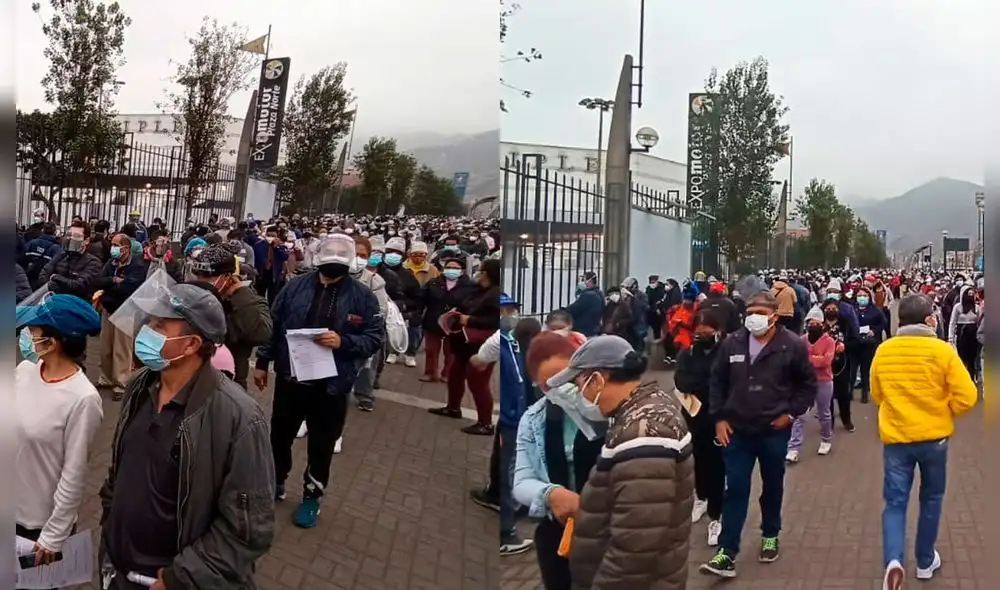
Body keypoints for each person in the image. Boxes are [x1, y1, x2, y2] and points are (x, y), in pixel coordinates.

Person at [98, 283, 275, 589]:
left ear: (191, 344)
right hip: (118, 569)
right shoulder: (140, 386)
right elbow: (122, 468)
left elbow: (248, 531)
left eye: (159, 326)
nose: (145, 331)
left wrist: (178, 578)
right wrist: (109, 523)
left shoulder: (240, 418)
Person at [255, 234, 383, 528]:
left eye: (340, 255)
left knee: (322, 444)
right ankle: (276, 480)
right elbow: (274, 324)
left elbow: (374, 337)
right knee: (280, 436)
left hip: (332, 385)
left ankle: (312, 496)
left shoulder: (363, 296)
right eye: (329, 254)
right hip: (291, 377)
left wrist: (344, 341)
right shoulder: (295, 287)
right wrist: (262, 361)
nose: (333, 260)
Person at [545, 335, 694, 589]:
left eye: (579, 384)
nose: (580, 394)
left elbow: (635, 545)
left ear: (598, 378)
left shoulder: (644, 433)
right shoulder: (645, 410)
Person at [701, 291, 816, 578]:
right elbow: (716, 383)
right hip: (737, 431)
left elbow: (806, 385)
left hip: (773, 432)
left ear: (774, 316)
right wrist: (719, 418)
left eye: (761, 313)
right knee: (735, 490)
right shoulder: (732, 343)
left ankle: (770, 535)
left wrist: (791, 413)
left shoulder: (791, 345)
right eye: (750, 312)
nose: (754, 318)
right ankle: (726, 552)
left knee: (772, 486)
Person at [871, 294, 978, 589]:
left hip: (896, 439)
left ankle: (893, 560)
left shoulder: (884, 350)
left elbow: (877, 393)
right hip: (934, 439)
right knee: (931, 499)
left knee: (895, 503)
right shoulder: (942, 351)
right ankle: (925, 561)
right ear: (929, 319)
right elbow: (968, 396)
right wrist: (945, 410)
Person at [15, 294, 103, 571]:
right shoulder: (25, 371)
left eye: (33, 331)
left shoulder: (83, 398)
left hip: (37, 528)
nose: (26, 336)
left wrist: (54, 535)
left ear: (51, 342)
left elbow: (74, 474)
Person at [513, 331, 593, 589]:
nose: (561, 388)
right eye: (549, 385)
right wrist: (550, 494)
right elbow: (521, 481)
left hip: (612, 532)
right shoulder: (533, 420)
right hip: (560, 535)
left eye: (566, 377)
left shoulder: (609, 409)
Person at [428, 259, 501, 435]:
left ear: (488, 274)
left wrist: (470, 320)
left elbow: (496, 321)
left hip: (480, 346)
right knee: (455, 375)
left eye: (481, 271)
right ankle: (453, 408)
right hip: (463, 341)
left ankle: (485, 423)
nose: (478, 273)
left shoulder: (497, 295)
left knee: (478, 383)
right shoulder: (477, 290)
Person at [188, 242, 273, 391]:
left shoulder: (250, 301)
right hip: (190, 376)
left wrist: (240, 295)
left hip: (229, 382)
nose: (201, 281)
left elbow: (260, 334)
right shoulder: (192, 297)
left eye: (209, 277)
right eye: (198, 275)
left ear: (228, 277)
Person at [674, 308, 726, 547]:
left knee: (717, 468)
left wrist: (701, 384)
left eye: (707, 332)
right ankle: (700, 497)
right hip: (693, 418)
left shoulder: (725, 353)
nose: (702, 337)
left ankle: (716, 517)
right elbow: (681, 381)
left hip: (719, 420)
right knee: (696, 462)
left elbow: (723, 382)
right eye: (698, 333)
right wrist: (705, 383)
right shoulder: (687, 354)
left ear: (718, 331)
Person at [94, 233, 148, 400]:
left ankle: (121, 383)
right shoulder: (111, 263)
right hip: (109, 308)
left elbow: (130, 287)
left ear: (126, 248)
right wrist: (114, 280)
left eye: (117, 245)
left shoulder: (137, 265)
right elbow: (99, 281)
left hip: (126, 310)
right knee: (106, 346)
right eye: (113, 244)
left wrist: (111, 285)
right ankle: (106, 378)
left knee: (122, 349)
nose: (113, 248)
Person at [786, 306, 836, 462]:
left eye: (816, 323)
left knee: (824, 413)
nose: (813, 326)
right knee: (800, 415)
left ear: (822, 324)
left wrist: (809, 359)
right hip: (804, 382)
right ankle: (793, 448)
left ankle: (826, 439)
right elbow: (797, 360)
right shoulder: (802, 340)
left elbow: (826, 362)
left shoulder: (829, 341)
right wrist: (816, 359)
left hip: (824, 381)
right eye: (810, 323)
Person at [38, 220, 104, 302]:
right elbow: (43, 276)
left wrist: (56, 278)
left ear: (86, 240)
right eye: (69, 235)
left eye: (76, 236)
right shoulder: (61, 255)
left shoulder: (93, 262)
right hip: (55, 302)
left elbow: (79, 286)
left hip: (77, 305)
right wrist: (61, 285)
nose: (71, 239)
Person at [856, 286, 888, 403]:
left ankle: (865, 392)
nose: (862, 298)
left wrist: (874, 331)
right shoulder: (853, 309)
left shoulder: (875, 310)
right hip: (855, 342)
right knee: (853, 368)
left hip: (869, 343)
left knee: (866, 367)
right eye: (859, 296)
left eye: (864, 296)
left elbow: (883, 322)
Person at [948, 285, 981, 379]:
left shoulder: (977, 308)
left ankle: (971, 376)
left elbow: (979, 322)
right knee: (962, 357)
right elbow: (952, 322)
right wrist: (950, 337)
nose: (970, 296)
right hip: (962, 335)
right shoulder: (958, 307)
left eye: (972, 294)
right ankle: (962, 376)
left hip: (973, 335)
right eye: (968, 294)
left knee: (972, 357)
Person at [567, 271, 604, 338]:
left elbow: (574, 310)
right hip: (594, 329)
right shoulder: (599, 293)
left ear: (589, 281)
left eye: (583, 280)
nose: (581, 282)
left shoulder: (588, 295)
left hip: (584, 331)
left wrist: (563, 311)